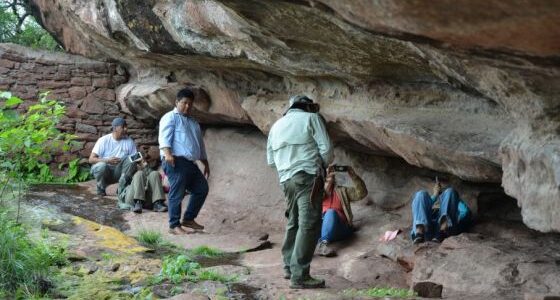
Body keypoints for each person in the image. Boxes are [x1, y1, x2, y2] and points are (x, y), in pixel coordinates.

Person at [267, 95, 333, 289]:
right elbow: (327, 150)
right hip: (307, 177)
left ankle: (288, 266)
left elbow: (271, 161)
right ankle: (300, 275)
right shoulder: (312, 118)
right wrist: (321, 165)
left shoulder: (276, 125)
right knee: (309, 223)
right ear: (308, 107)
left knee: (294, 221)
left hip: (286, 179)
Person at [159, 87, 210, 235]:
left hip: (190, 163)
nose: (187, 106)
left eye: (190, 104)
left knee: (202, 188)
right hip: (175, 160)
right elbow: (164, 137)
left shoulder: (193, 123)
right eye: (184, 103)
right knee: (177, 191)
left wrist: (205, 162)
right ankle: (174, 226)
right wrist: (167, 154)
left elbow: (199, 144)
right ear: (177, 102)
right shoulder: (170, 117)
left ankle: (188, 219)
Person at [316, 165, 368, 257]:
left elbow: (362, 193)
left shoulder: (342, 191)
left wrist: (353, 175)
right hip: (321, 227)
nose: (329, 175)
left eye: (331, 172)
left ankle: (323, 244)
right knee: (307, 226)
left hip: (339, 228)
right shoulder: (316, 192)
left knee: (330, 212)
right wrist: (326, 183)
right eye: (327, 173)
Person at [410, 180, 472, 244]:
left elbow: (465, 212)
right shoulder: (431, 211)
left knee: (450, 191)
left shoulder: (455, 213)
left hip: (445, 232)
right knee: (421, 194)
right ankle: (419, 232)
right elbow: (419, 207)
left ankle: (443, 229)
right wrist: (435, 195)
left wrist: (453, 198)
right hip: (425, 230)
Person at [89, 117, 137, 197]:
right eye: (123, 127)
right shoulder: (103, 140)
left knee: (131, 159)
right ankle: (101, 186)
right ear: (115, 128)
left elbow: (134, 159)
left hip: (119, 172)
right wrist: (107, 160)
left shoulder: (129, 141)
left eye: (126, 127)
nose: (126, 129)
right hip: (106, 170)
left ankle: (122, 187)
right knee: (101, 165)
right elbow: (91, 159)